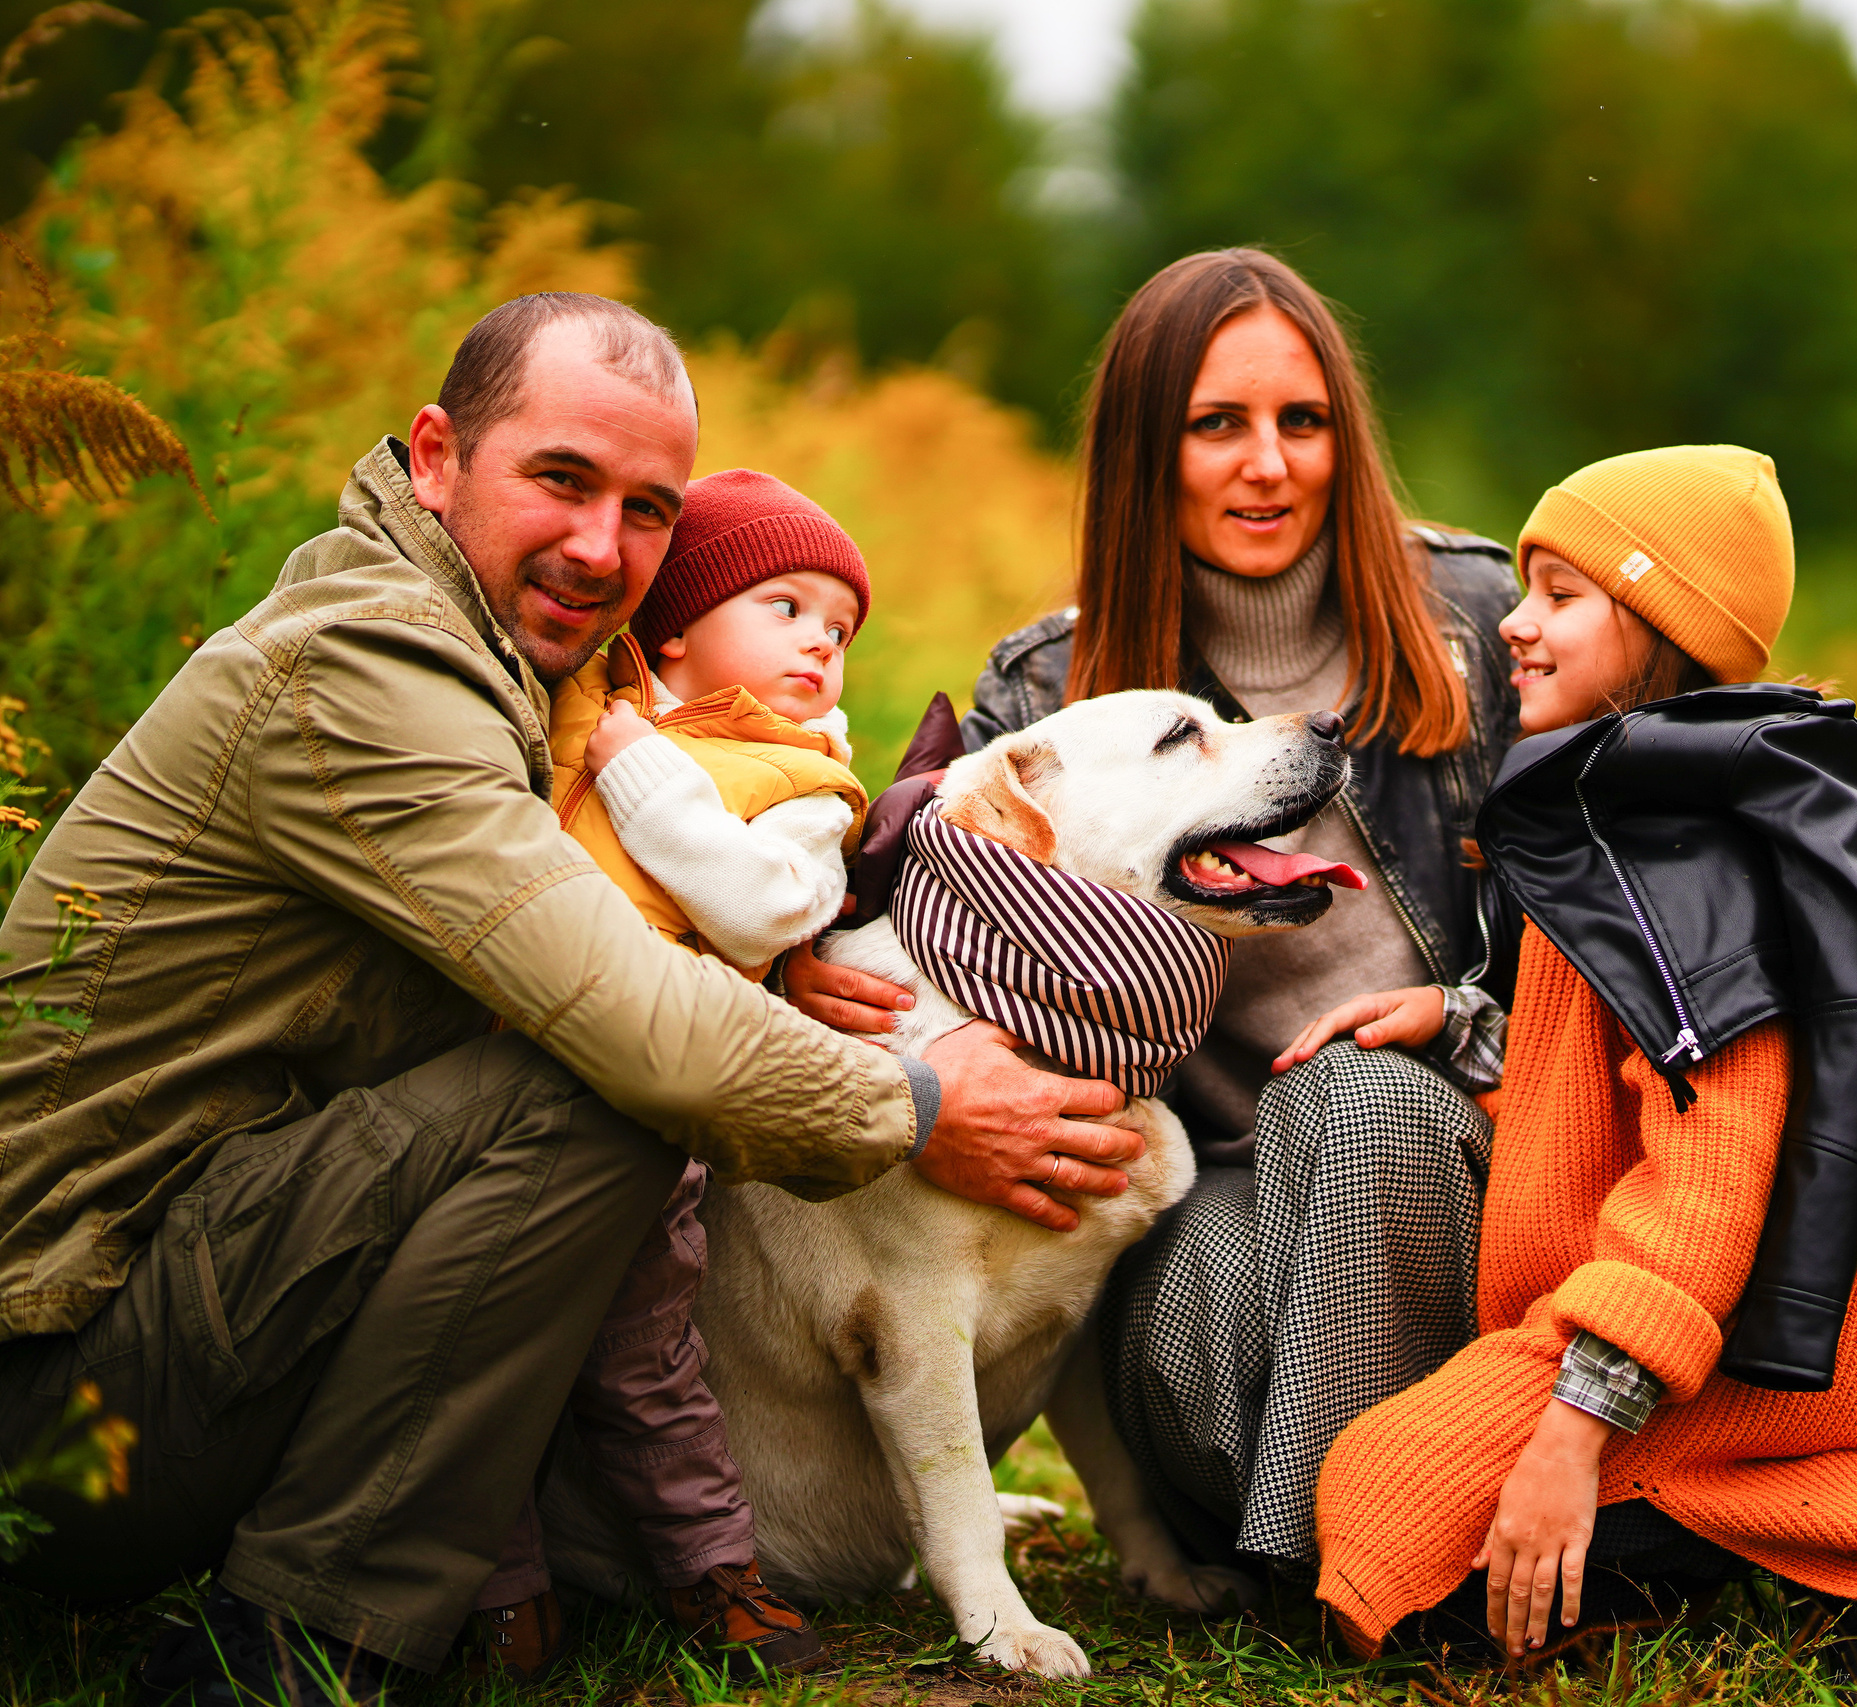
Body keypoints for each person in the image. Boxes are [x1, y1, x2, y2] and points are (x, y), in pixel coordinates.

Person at [0, 293, 1139, 1705]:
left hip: (184, 1322)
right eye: (560, 478)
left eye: (649, 508)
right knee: (604, 1082)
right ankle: (305, 1642)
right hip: (60, 1396)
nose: (604, 547)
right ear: (434, 456)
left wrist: (795, 966)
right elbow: (623, 1008)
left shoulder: (532, 681)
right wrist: (917, 1105)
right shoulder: (371, 666)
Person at [1308, 447, 1857, 1669]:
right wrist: (1464, 1024)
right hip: (1693, 1334)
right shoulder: (1633, 796)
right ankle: (1793, 1548)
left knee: (1391, 1518)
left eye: (1560, 595)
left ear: (1656, 622)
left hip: (1758, 1358)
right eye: (1524, 590)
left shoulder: (1691, 851)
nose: (1516, 629)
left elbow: (1713, 1172)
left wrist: (1573, 1435)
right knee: (1383, 1517)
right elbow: (1614, 1058)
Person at [956, 248, 1519, 1582]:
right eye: (1218, 424)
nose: (1268, 463)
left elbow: (1632, 920)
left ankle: (1339, 1579)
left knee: (1357, 1092)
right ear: (1151, 447)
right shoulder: (1051, 692)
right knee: (1201, 1379)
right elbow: (949, 925)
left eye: (1302, 421)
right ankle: (1364, 1531)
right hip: (1211, 1178)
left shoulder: (1490, 622)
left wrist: (1472, 1022)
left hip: (1468, 1164)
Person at [463, 468, 880, 1683]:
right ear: (679, 628)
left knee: (646, 1364)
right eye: (787, 606)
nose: (820, 642)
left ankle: (713, 1572)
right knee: (492, 1358)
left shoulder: (803, 784)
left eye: (840, 629)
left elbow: (756, 912)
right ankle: (503, 1596)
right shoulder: (587, 702)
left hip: (646, 1131)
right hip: (499, 1088)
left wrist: (638, 761)